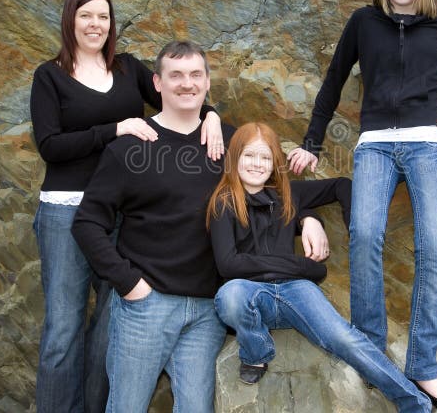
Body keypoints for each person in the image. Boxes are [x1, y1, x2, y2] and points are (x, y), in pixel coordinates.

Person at [287, 0, 437, 413]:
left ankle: (423, 367)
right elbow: (333, 81)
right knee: (364, 231)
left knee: (434, 246)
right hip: (376, 146)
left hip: (429, 145)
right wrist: (312, 145)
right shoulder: (363, 22)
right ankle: (370, 346)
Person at [70, 42, 329, 412]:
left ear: (207, 83)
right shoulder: (131, 147)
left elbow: (276, 190)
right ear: (157, 83)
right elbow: (87, 223)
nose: (186, 83)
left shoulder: (229, 142)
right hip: (147, 305)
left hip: (208, 310)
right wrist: (129, 284)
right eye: (175, 75)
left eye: (195, 75)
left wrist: (308, 218)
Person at [29, 0, 224, 413]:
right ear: (70, 21)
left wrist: (212, 116)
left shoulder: (129, 69)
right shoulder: (50, 76)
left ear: (111, 23)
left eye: (102, 16)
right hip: (67, 210)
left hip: (121, 212)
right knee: (64, 331)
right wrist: (115, 129)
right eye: (85, 16)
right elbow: (49, 146)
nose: (94, 24)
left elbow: (180, 99)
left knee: (109, 330)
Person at [208, 122, 433, 412]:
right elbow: (228, 264)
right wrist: (301, 265)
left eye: (265, 157)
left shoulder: (290, 194)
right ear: (234, 157)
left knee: (344, 337)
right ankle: (256, 350)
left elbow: (342, 184)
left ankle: (415, 404)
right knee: (230, 295)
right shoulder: (223, 202)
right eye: (249, 155)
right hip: (252, 294)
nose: (257, 164)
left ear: (276, 162)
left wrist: (355, 232)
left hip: (295, 292)